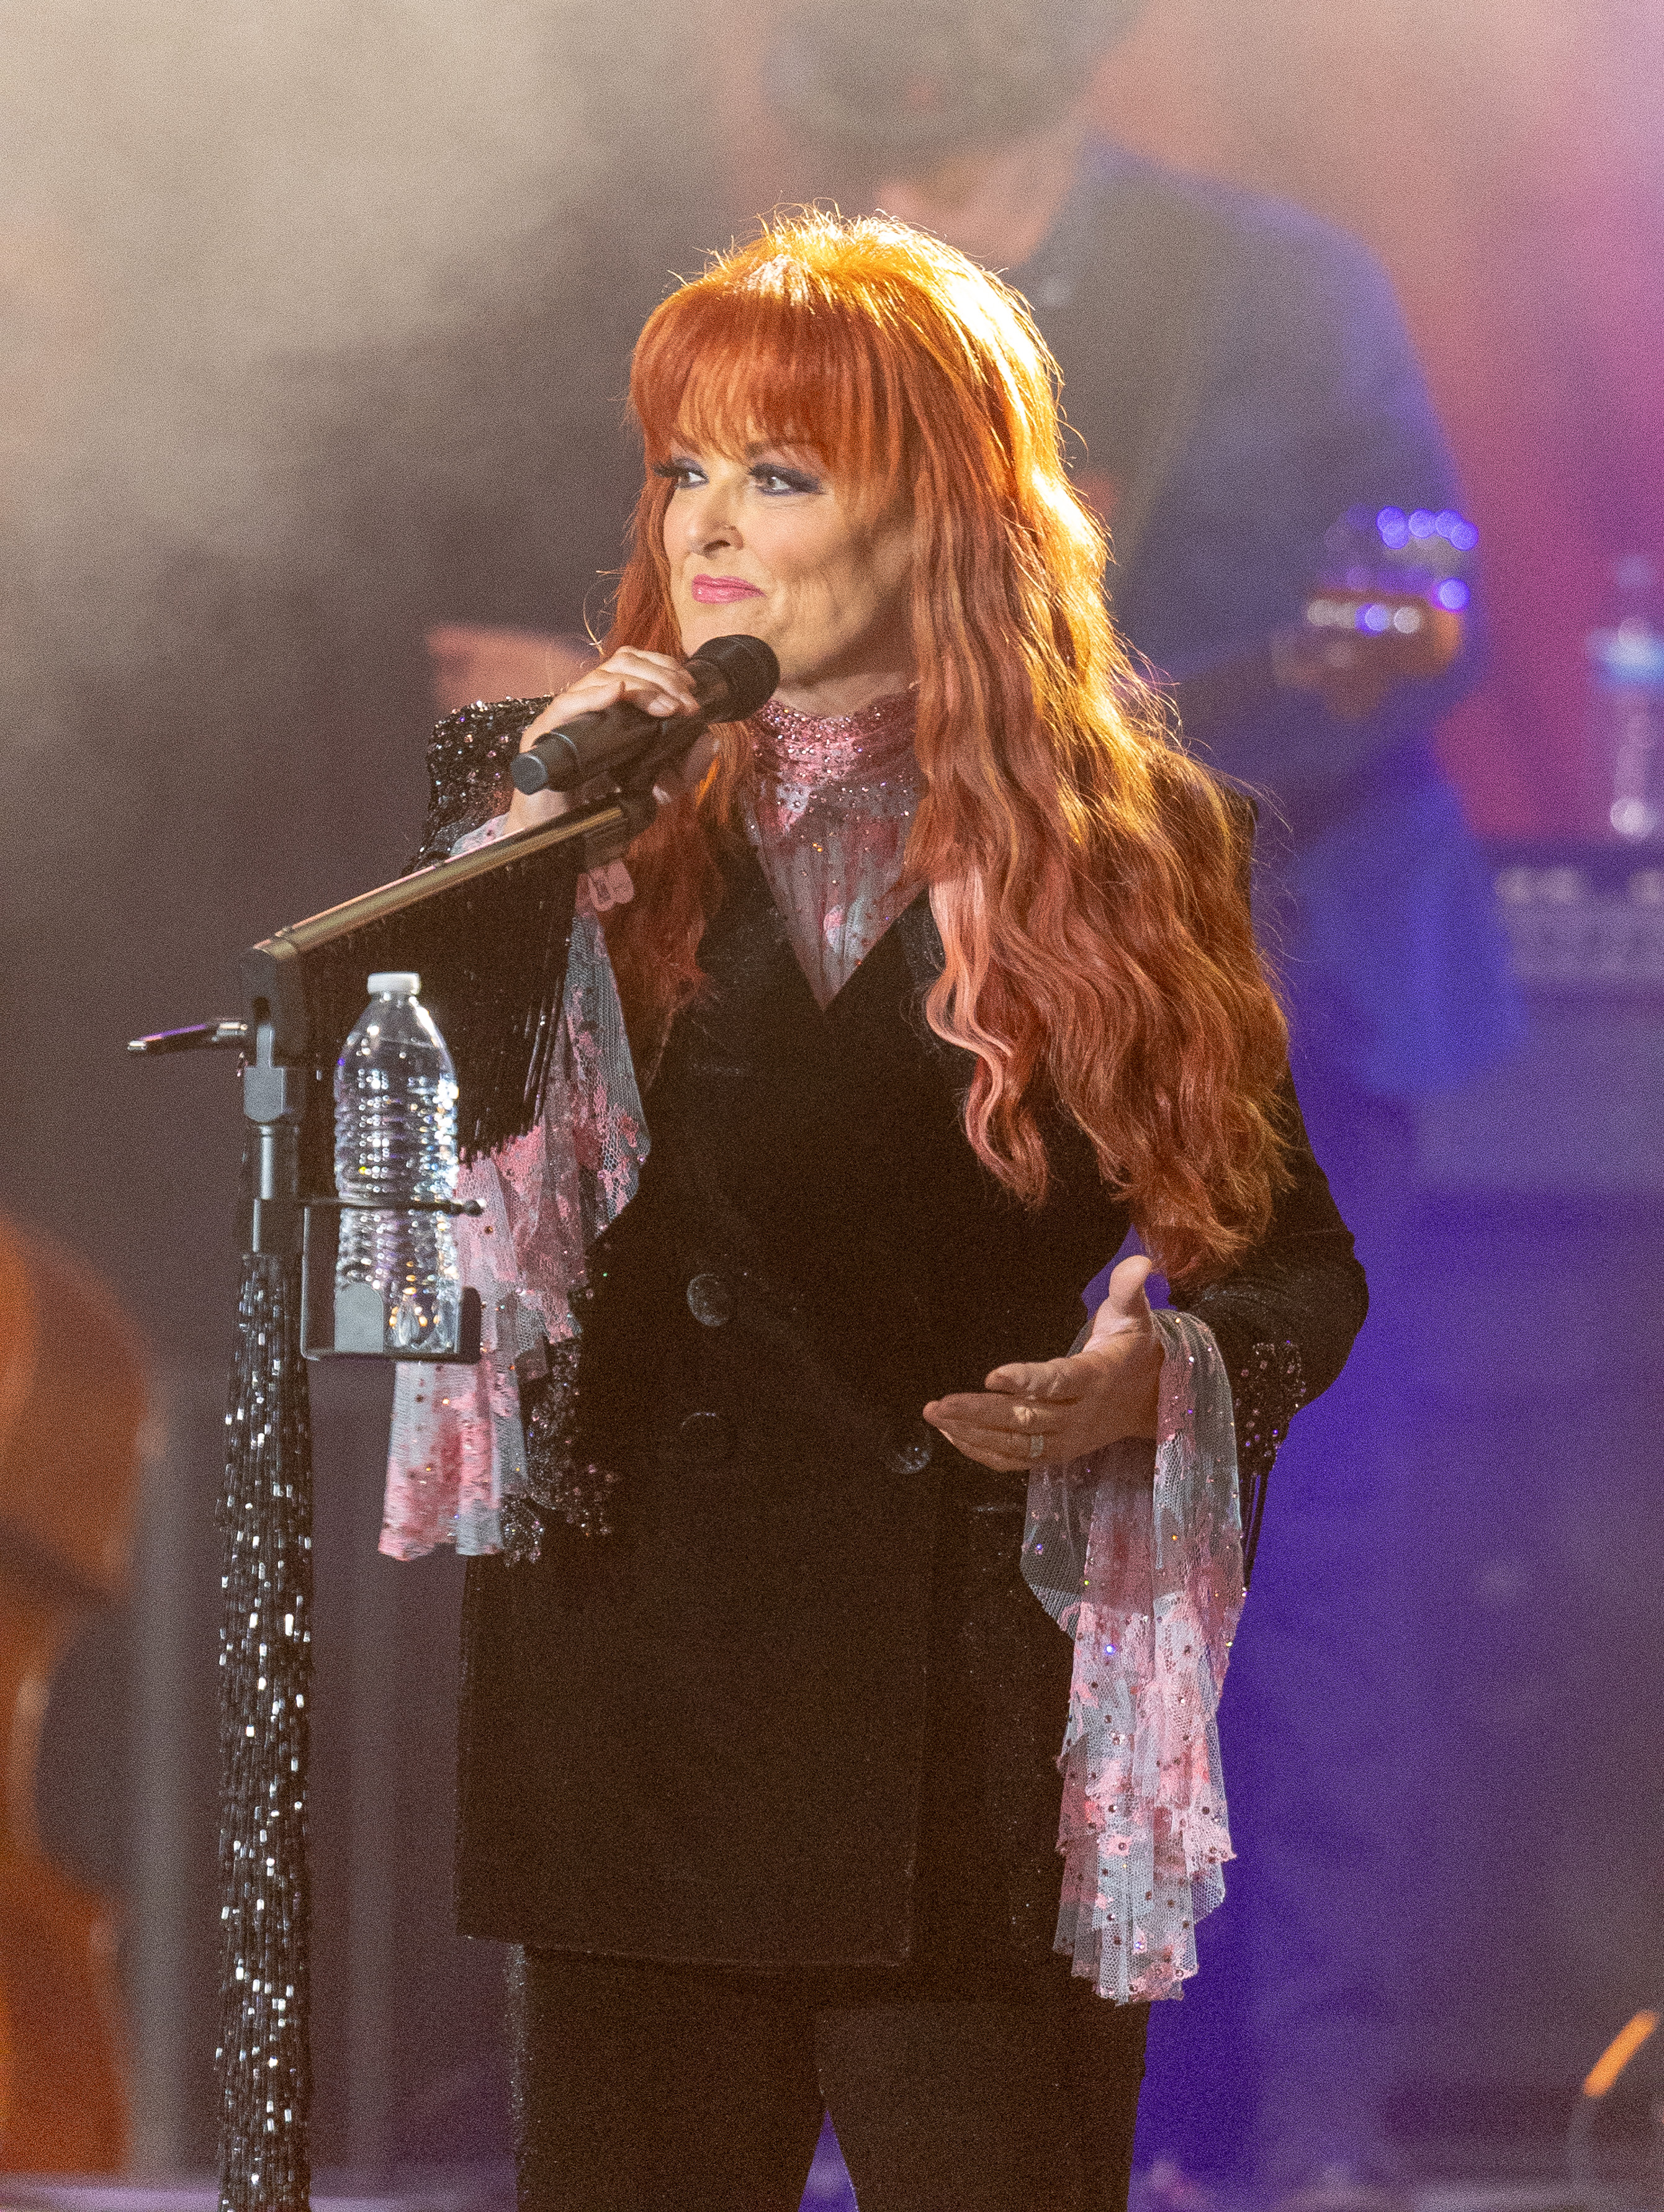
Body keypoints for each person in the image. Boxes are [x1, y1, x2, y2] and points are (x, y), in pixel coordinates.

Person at [395, 212, 1365, 2212]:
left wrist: (1152, 1378)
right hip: (636, 1716)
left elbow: (1289, 1264)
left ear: (936, 514)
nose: (708, 526)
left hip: (965, 1737)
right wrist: (531, 858)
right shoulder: (559, 820)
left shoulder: (1132, 849)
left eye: (781, 471)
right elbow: (419, 1213)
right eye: (684, 468)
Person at [752, 4, 1529, 2196]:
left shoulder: (1265, 284)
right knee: (911, 1565)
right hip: (931, 1013)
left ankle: (1317, 2126)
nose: (911, 183)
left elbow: (1416, 608)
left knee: (1296, 1568)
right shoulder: (798, 318)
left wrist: (1367, 652)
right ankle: (903, 2117)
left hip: (1260, 996)